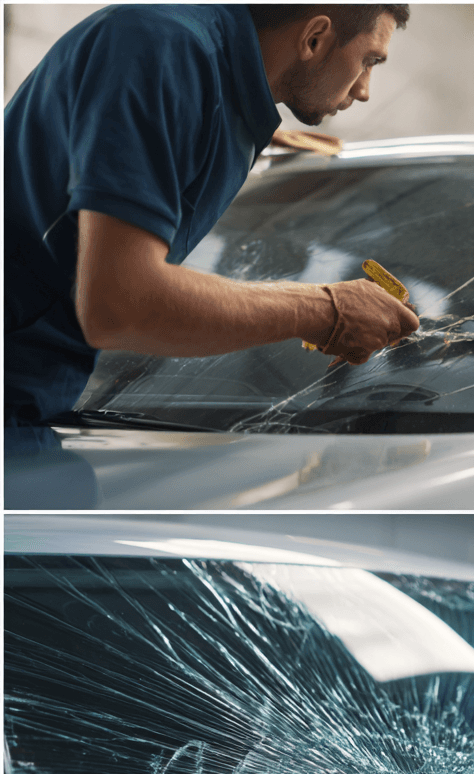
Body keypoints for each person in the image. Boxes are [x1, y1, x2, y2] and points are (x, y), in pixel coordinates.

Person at [4, 4, 419, 451]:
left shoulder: (213, 81)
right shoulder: (162, 48)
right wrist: (322, 309)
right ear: (315, 38)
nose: (364, 91)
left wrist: (216, 125)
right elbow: (119, 306)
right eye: (370, 60)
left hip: (33, 412)